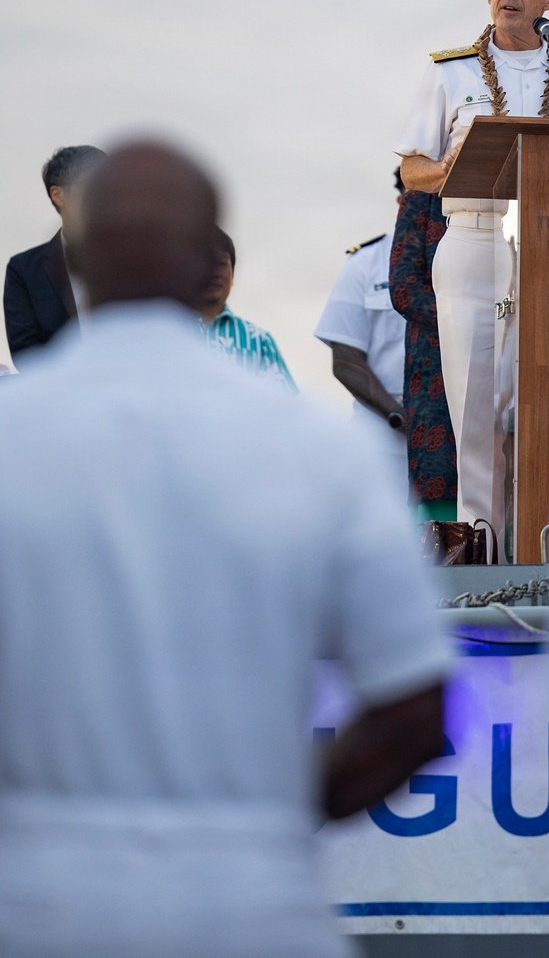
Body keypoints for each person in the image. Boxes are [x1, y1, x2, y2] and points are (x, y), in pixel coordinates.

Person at [0, 140, 450, 958]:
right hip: (253, 901)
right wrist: (267, 820)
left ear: (79, 258)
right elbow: (414, 712)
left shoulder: (13, 435)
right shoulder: (316, 449)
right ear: (205, 254)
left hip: (40, 904)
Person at [395, 0, 549, 538]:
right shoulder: (451, 71)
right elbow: (412, 166)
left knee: (548, 406)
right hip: (475, 238)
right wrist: (453, 170)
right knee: (475, 411)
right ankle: (482, 550)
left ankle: (547, 546)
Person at [314, 168, 407, 430]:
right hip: (383, 432)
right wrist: (398, 416)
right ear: (401, 202)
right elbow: (345, 360)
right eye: (417, 197)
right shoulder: (366, 262)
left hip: (454, 430)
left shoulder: (468, 265)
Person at [389, 189, 458, 520]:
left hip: (511, 359)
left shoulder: (512, 190)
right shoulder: (423, 199)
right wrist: (464, 323)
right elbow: (404, 289)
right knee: (439, 481)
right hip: (437, 372)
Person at [3, 144, 106, 360]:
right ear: (58, 195)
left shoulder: (140, 257)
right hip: (66, 390)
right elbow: (27, 355)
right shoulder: (24, 270)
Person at [200, 226, 297, 392]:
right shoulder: (165, 332)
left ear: (233, 275)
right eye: (207, 262)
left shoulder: (259, 341)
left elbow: (287, 408)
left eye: (222, 264)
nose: (215, 272)